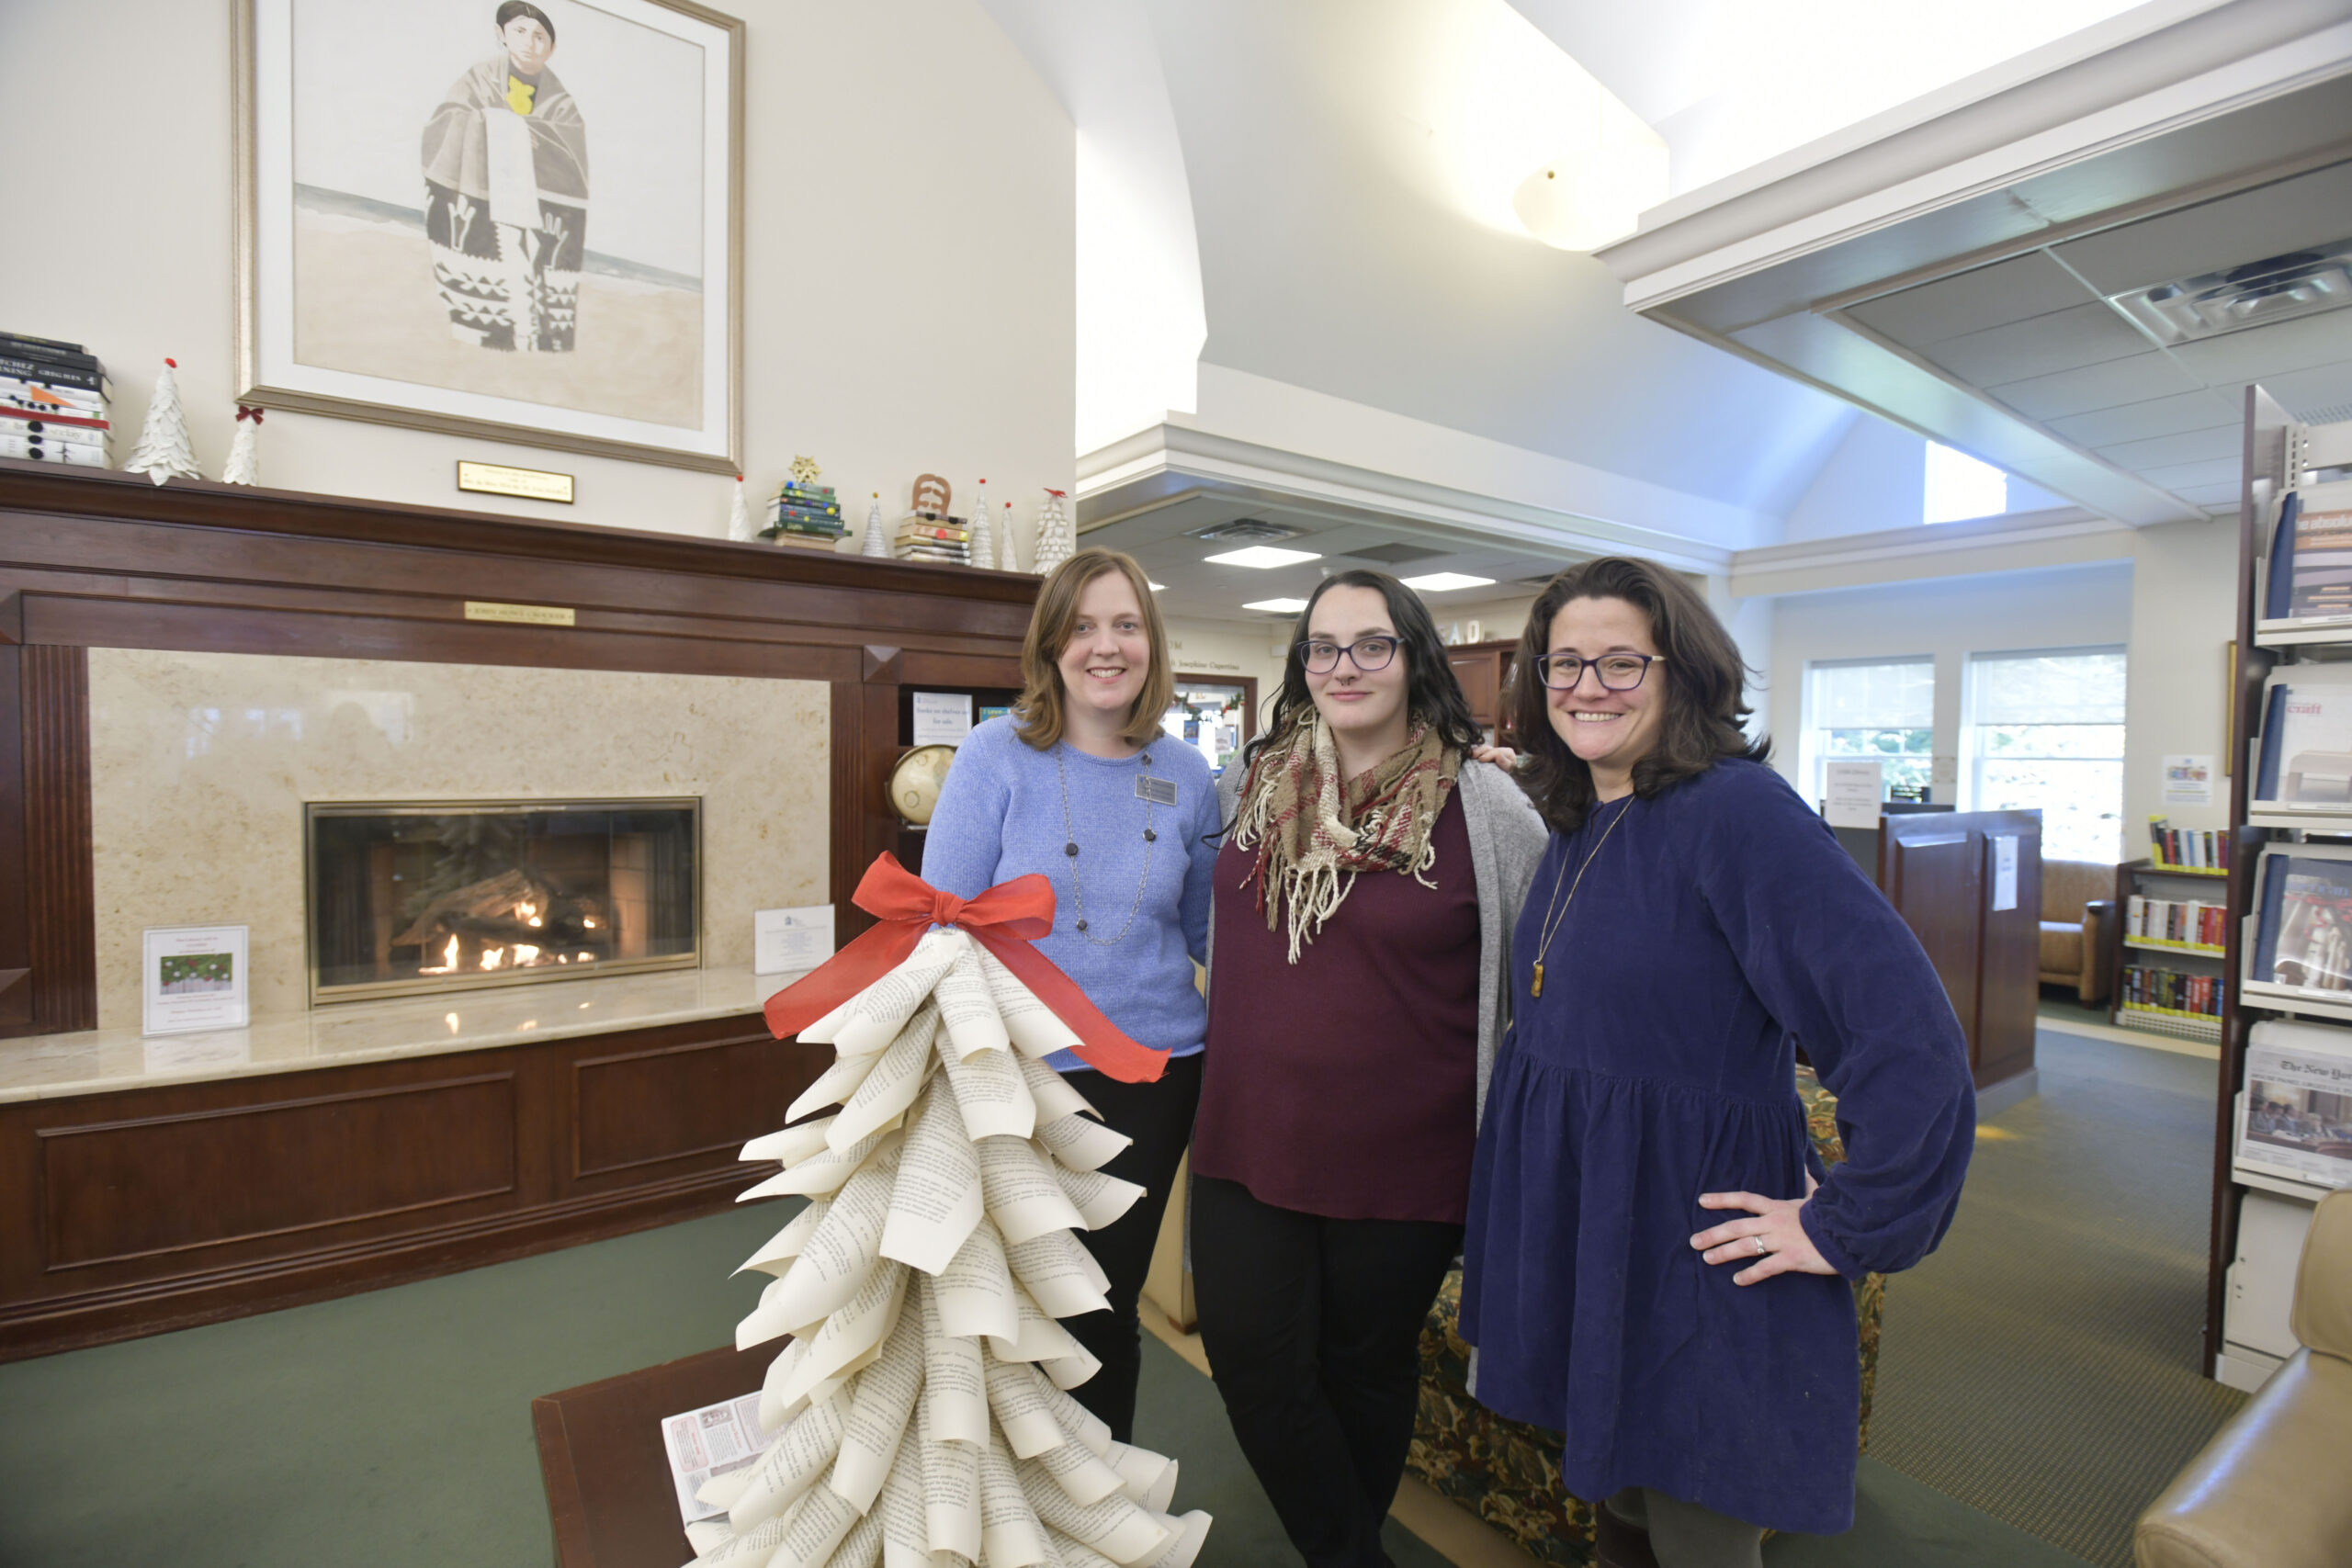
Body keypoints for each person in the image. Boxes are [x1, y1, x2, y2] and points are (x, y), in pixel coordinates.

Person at [1459, 557, 1975, 1568]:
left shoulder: (1736, 812)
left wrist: (1847, 1221)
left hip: (1697, 1257)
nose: (1584, 688)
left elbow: (1905, 1037)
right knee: (1626, 1524)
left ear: (1680, 672)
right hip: (1601, 1234)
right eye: (1562, 664)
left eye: (1619, 663)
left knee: (1697, 1532)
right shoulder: (1582, 817)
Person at [1190, 569, 1547, 1568]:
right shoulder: (1251, 785)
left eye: (1371, 645)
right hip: (1247, 1132)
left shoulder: (1487, 807)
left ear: (1413, 658)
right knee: (1252, 1361)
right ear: (1301, 664)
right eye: (1323, 646)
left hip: (1407, 1158)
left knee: (1366, 1370)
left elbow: (1542, 983)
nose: (1343, 666)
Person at [921, 547, 1220, 1443]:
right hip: (1020, 1072)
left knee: (1099, 1307)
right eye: (1083, 625)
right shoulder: (993, 755)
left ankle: (1094, 1504)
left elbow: (1212, 936)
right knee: (1005, 1297)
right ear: (1051, 644)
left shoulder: (1189, 773)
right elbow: (944, 928)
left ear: (1150, 642)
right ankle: (1001, 1505)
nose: (1105, 646)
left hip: (1154, 1074)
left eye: (1125, 624)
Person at [421, 1, 590, 354]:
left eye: (540, 36)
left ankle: (539, 335)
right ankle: (485, 330)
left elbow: (571, 148)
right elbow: (450, 117)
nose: (530, 41)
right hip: (486, 189)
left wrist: (535, 137)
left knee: (534, 266)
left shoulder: (562, 103)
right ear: (501, 35)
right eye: (520, 31)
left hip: (537, 199)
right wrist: (501, 128)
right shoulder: (479, 79)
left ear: (552, 48)